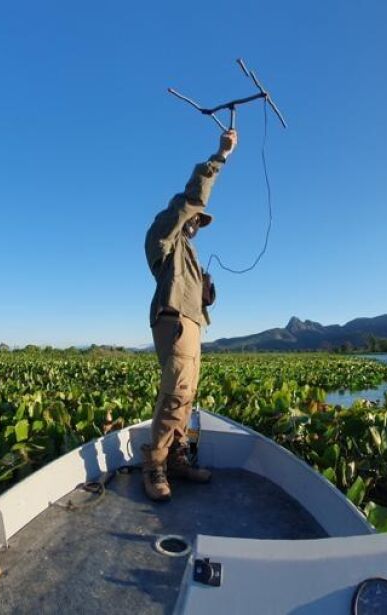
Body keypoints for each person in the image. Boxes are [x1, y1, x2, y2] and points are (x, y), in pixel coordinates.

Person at [142, 129, 238, 501]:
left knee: (187, 393)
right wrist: (220, 156)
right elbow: (190, 199)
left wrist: (205, 295)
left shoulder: (190, 256)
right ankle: (155, 464)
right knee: (175, 391)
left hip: (193, 322)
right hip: (174, 319)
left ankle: (177, 455)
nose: (198, 224)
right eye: (195, 219)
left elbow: (194, 293)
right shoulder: (163, 235)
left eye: (201, 223)